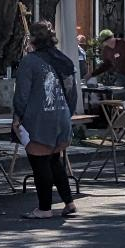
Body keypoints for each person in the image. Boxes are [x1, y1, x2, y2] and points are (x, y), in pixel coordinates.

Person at [14, 23, 78, 219]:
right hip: (62, 114)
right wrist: (68, 112)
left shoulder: (30, 61)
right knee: (54, 159)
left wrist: (18, 116)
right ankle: (68, 202)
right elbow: (72, 91)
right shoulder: (63, 59)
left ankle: (44, 208)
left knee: (40, 161)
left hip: (39, 117)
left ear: (32, 40)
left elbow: (22, 94)